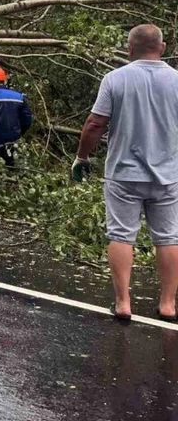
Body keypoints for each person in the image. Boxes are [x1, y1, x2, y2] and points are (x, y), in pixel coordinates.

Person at [74, 24, 178, 323]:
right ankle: (169, 305)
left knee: (121, 235)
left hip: (123, 173)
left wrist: (82, 157)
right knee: (169, 237)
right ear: (163, 46)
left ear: (129, 49)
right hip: (169, 174)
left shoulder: (115, 79)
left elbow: (95, 124)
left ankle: (123, 302)